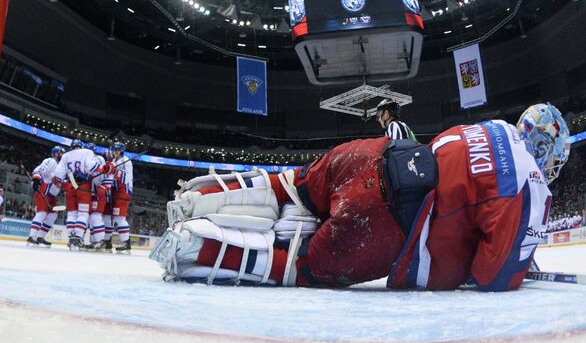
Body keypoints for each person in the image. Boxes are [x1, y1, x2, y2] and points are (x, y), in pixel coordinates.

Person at [152, 103, 570, 292]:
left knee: (291, 186)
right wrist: (518, 256)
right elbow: (492, 274)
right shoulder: (531, 181)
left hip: (366, 155)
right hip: (383, 224)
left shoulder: (494, 126)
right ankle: (195, 248)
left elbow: (465, 179)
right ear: (547, 152)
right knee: (298, 266)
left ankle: (198, 195)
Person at [52, 140, 114, 250]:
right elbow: (93, 168)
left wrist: (60, 183)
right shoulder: (88, 153)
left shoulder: (66, 155)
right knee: (84, 214)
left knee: (72, 214)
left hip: (71, 184)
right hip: (84, 187)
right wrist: (107, 169)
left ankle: (72, 238)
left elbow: (57, 176)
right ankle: (79, 237)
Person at [27, 146, 65, 247]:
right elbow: (39, 170)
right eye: (61, 153)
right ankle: (31, 237)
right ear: (56, 153)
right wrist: (36, 180)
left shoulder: (62, 166)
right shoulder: (51, 161)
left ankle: (40, 237)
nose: (63, 155)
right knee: (42, 212)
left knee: (53, 215)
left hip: (52, 194)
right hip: (44, 189)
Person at [110, 142, 133, 253]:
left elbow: (126, 178)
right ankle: (107, 240)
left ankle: (126, 243)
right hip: (116, 191)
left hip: (123, 191)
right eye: (114, 150)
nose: (114, 152)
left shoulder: (126, 161)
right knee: (113, 218)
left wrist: (113, 172)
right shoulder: (115, 161)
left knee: (120, 218)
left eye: (116, 150)